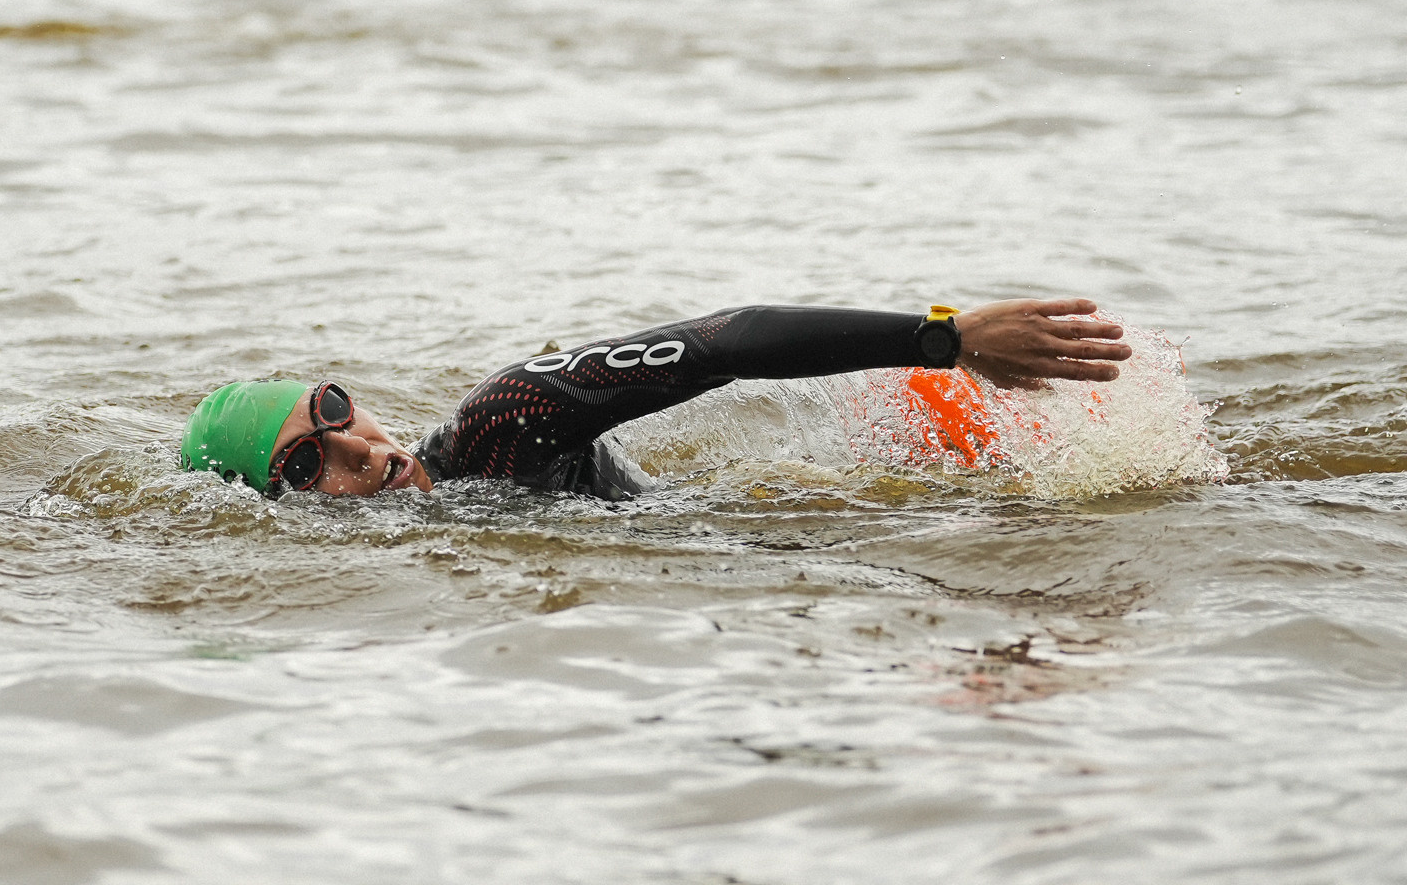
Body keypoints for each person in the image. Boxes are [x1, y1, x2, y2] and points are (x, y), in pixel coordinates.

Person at [179, 299, 1132, 500]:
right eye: (305, 465)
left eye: (334, 412)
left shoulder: (503, 425)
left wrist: (947, 338)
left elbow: (726, 342)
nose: (356, 449)